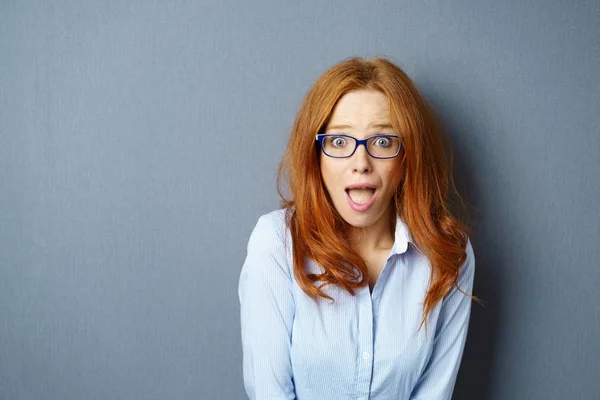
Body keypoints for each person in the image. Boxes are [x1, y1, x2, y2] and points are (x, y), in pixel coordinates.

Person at [238, 57, 476, 400]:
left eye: (382, 141)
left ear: (407, 155)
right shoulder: (276, 243)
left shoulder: (450, 256)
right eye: (339, 142)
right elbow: (269, 391)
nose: (360, 163)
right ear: (315, 156)